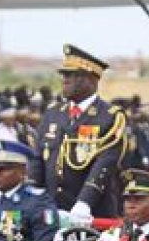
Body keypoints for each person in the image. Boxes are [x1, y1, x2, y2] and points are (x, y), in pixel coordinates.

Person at [32, 44, 127, 224]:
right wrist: (33, 193)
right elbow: (38, 157)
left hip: (90, 212)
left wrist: (85, 202)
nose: (65, 80)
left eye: (72, 75)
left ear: (92, 79)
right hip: (51, 211)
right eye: (64, 75)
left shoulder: (109, 117)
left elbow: (105, 163)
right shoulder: (53, 113)